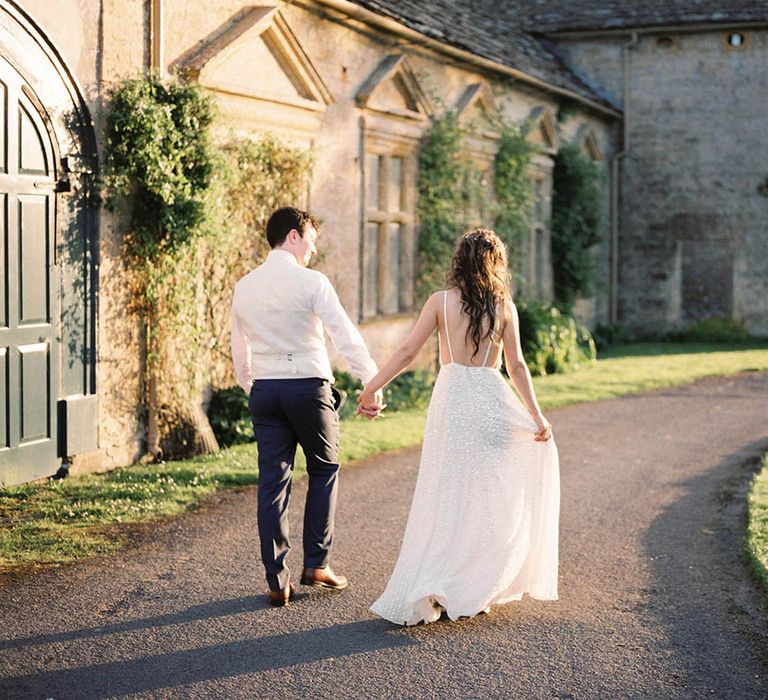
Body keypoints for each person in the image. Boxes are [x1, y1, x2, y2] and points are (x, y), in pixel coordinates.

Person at [359, 228, 560, 625]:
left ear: (460, 261)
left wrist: (372, 386)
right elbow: (517, 366)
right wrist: (536, 416)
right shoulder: (503, 305)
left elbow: (407, 351)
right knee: (491, 494)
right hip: (491, 399)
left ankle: (443, 579)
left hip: (452, 400)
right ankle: (474, 581)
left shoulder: (439, 302)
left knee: (448, 490)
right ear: (495, 263)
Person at [231, 207, 383, 607]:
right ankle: (316, 563)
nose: (313, 250)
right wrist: (371, 381)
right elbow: (343, 335)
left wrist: (254, 385)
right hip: (308, 388)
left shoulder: (244, 286)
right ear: (293, 236)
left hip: (265, 391)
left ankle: (277, 580)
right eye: (311, 240)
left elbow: (238, 352)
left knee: (272, 484)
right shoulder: (312, 282)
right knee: (325, 468)